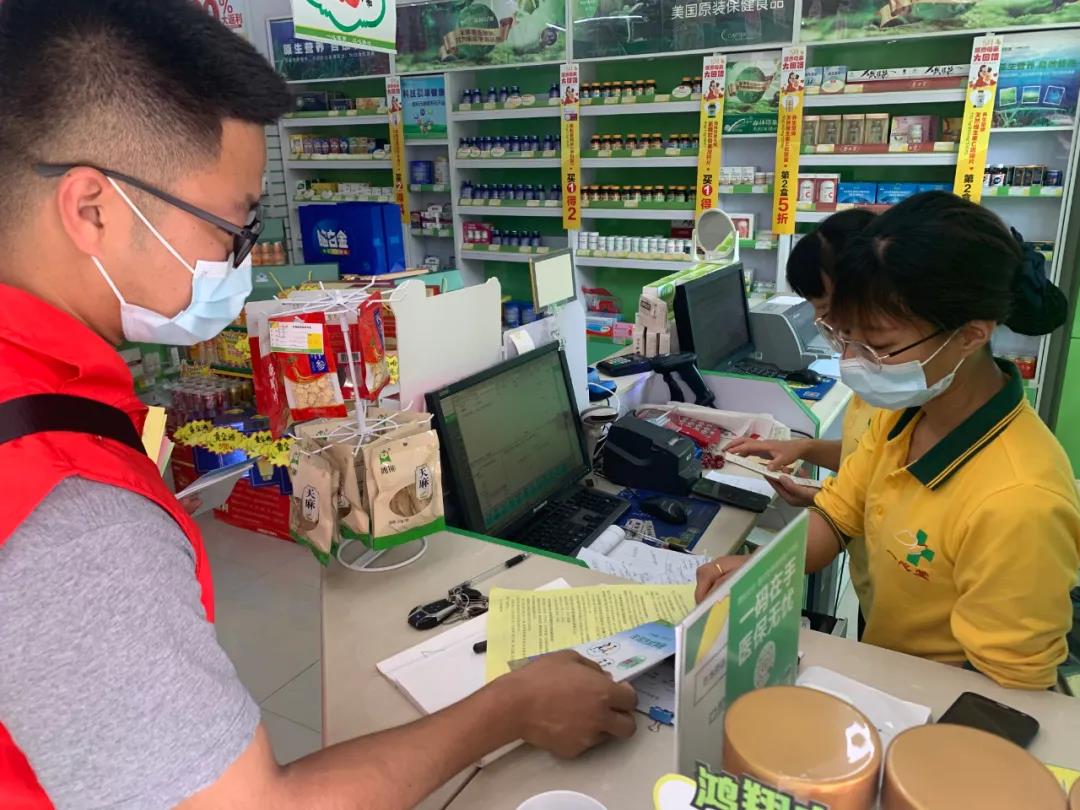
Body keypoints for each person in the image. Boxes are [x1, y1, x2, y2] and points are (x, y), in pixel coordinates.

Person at [0, 2, 636, 808]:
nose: (240, 262)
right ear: (92, 208)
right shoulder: (72, 510)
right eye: (232, 228)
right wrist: (510, 707)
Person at [697, 192, 1080, 690]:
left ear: (970, 335)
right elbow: (838, 515)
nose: (853, 361)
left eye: (879, 346)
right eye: (846, 337)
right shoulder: (903, 417)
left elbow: (1009, 688)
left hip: (941, 709)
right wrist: (755, 572)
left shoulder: (1019, 500)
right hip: (885, 672)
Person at [726, 209, 878, 634]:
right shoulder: (878, 383)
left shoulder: (901, 388)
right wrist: (806, 449)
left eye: (828, 311)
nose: (831, 331)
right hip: (881, 593)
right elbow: (872, 464)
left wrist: (824, 498)